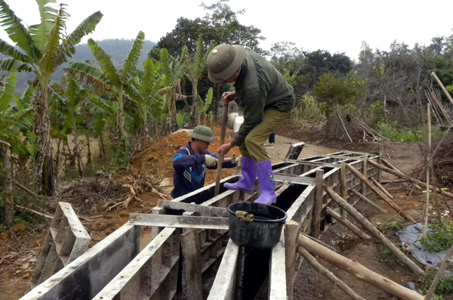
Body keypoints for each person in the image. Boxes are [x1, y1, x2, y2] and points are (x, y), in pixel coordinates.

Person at [207, 44, 295, 205]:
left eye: (225, 78)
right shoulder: (239, 58)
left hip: (279, 104)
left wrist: (231, 144)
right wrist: (236, 93)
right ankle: (247, 182)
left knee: (252, 140)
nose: (224, 82)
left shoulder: (252, 88)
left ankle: (269, 192)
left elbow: (252, 120)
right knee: (246, 139)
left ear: (236, 71)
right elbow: (248, 85)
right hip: (267, 97)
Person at [171, 125, 237, 198]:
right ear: (197, 139)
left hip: (197, 196)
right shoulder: (184, 151)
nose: (209, 144)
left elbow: (217, 159)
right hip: (182, 199)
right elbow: (177, 161)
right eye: (206, 141)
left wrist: (235, 161)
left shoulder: (205, 153)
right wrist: (202, 159)